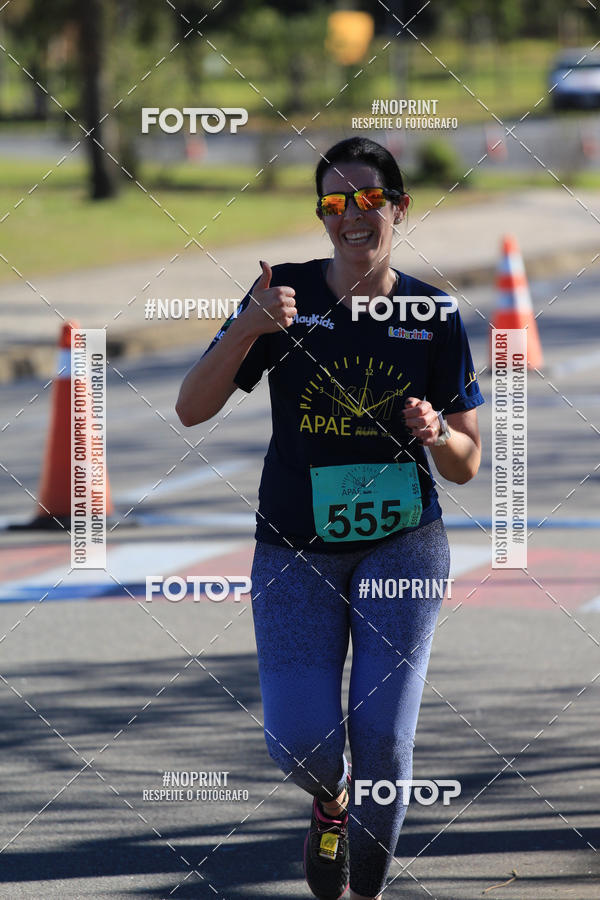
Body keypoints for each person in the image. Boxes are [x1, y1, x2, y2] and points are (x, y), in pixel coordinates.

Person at [176, 136, 484, 900]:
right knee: (304, 745)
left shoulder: (432, 313)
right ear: (322, 215)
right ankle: (329, 799)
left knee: (383, 739)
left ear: (399, 209)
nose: (352, 217)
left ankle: (368, 890)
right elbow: (189, 408)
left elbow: (468, 460)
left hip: (404, 545)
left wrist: (437, 432)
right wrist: (247, 326)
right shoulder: (281, 296)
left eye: (368, 201)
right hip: (294, 547)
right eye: (335, 203)